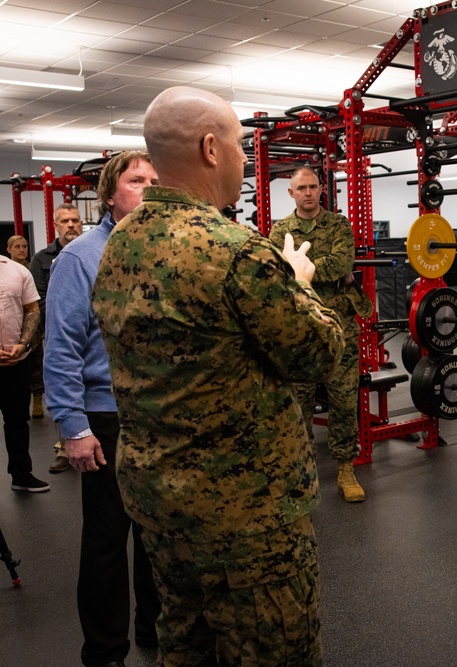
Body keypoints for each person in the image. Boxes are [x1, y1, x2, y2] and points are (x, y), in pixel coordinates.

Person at [91, 86, 344, 665]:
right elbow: (318, 355)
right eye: (238, 144)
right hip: (246, 514)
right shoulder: (233, 250)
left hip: (160, 502)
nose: (245, 160)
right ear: (211, 148)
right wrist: (299, 282)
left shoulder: (120, 243)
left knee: (185, 642)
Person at [45, 151, 161, 666]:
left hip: (161, 413)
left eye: (155, 180)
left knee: (159, 535)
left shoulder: (167, 249)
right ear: (110, 194)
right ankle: (106, 651)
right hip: (107, 416)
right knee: (108, 542)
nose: (148, 188)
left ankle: (155, 631)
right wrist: (73, 426)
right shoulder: (81, 257)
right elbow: (62, 348)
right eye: (137, 181)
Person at [271, 166, 373, 503]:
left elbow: (343, 262)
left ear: (321, 189)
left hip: (340, 327)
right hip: (300, 329)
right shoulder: (280, 229)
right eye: (302, 188)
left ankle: (346, 468)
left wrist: (302, 267)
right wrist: (312, 267)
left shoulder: (339, 225)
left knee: (344, 401)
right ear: (291, 193)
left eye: (313, 187)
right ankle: (301, 474)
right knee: (297, 405)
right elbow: (277, 271)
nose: (309, 193)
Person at [29, 203, 83, 473]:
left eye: (75, 220)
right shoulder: (41, 259)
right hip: (60, 334)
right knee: (64, 388)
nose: (71, 225)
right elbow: (38, 299)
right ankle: (66, 445)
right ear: (56, 225)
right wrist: (63, 322)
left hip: (91, 334)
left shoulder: (92, 251)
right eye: (65, 221)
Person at [0, 247, 46, 492]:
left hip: (17, 361)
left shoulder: (17, 271)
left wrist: (23, 344)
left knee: (17, 420)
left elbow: (32, 310)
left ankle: (21, 474)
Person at [6, 235, 44, 421]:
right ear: (9, 249)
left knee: (36, 363)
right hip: (11, 326)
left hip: (31, 326)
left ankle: (37, 399)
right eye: (17, 247)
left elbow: (35, 303)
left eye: (25, 246)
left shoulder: (32, 269)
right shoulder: (6, 271)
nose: (22, 250)